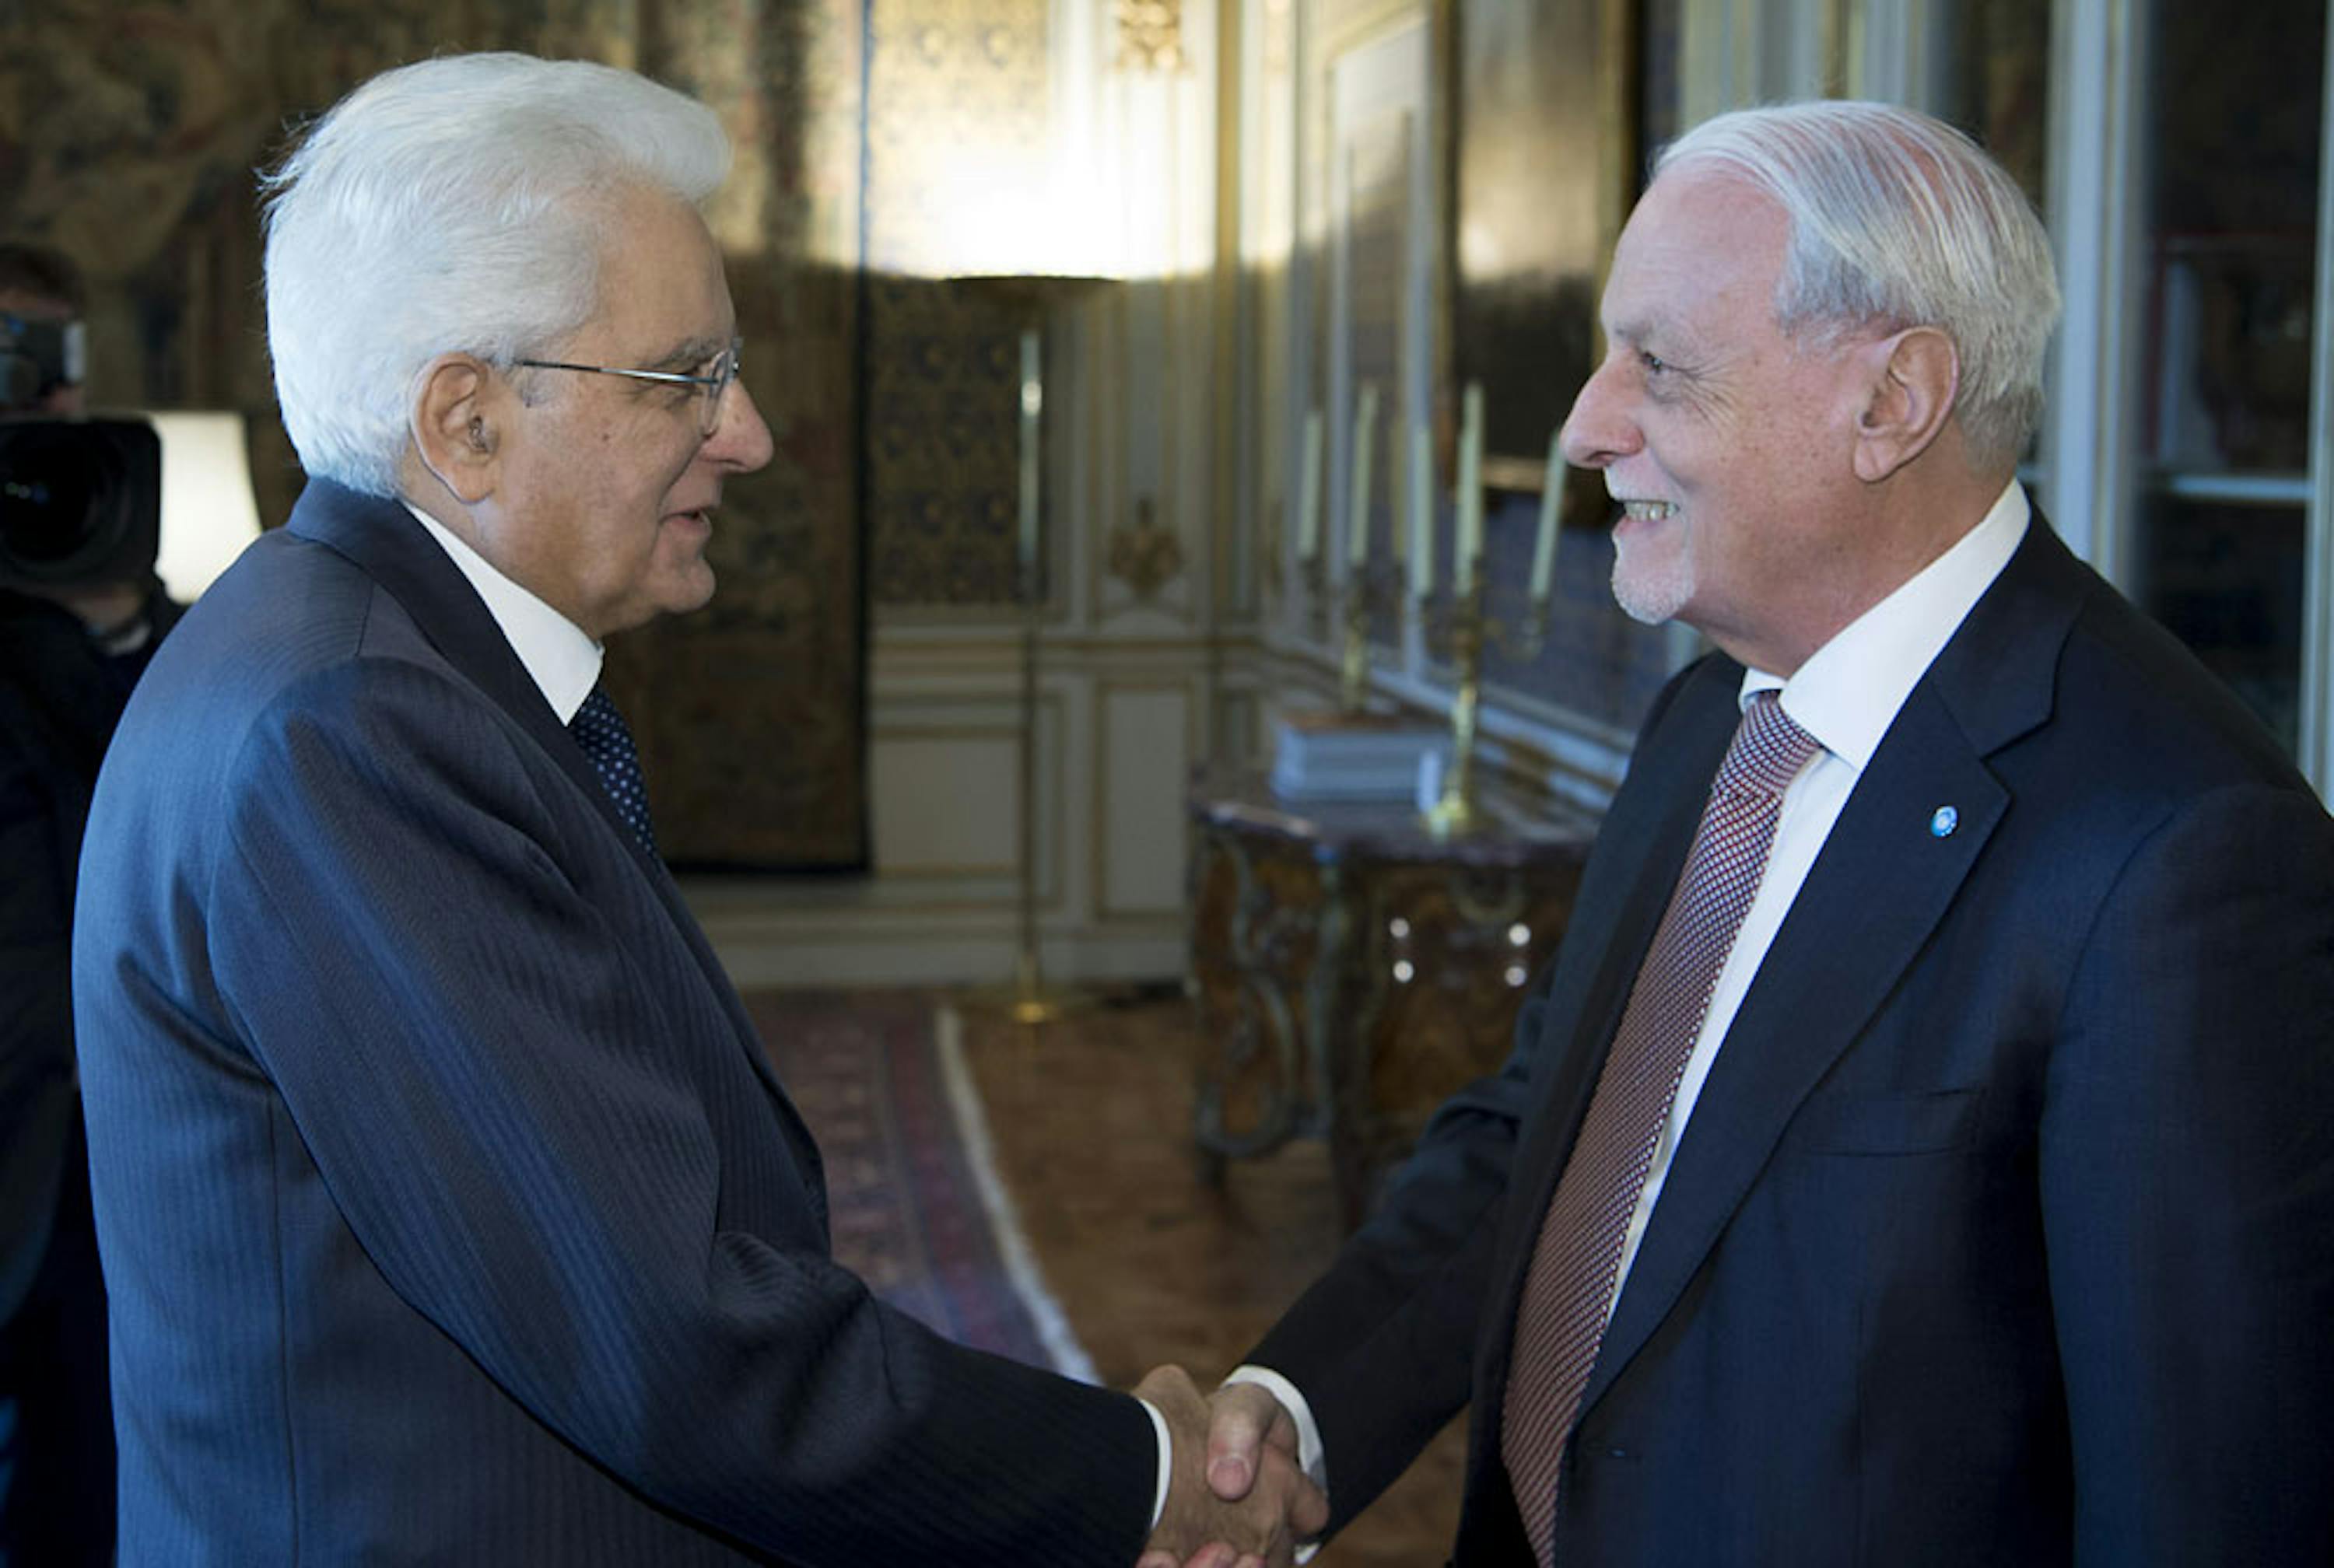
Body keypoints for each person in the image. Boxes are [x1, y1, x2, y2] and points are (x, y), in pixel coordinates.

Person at [72, 54, 1319, 1566]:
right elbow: (666, 1339)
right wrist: (1137, 1475)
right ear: (465, 424)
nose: (749, 437)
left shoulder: (350, 653)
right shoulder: (357, 727)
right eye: (687, 377)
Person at [1176, 100, 2334, 1566]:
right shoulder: (1710, 726)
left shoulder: (2179, 856)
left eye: (1658, 365)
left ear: (1893, 401)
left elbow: (2203, 1511)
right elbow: (1553, 1140)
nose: (1591, 425)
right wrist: (1297, 1410)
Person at [0, 239, 177, 1567]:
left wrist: (115, 620)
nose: (39, 397)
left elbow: (174, 796)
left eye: (55, 362)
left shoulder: (119, 593)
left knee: (87, 1491)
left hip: (100, 1145)